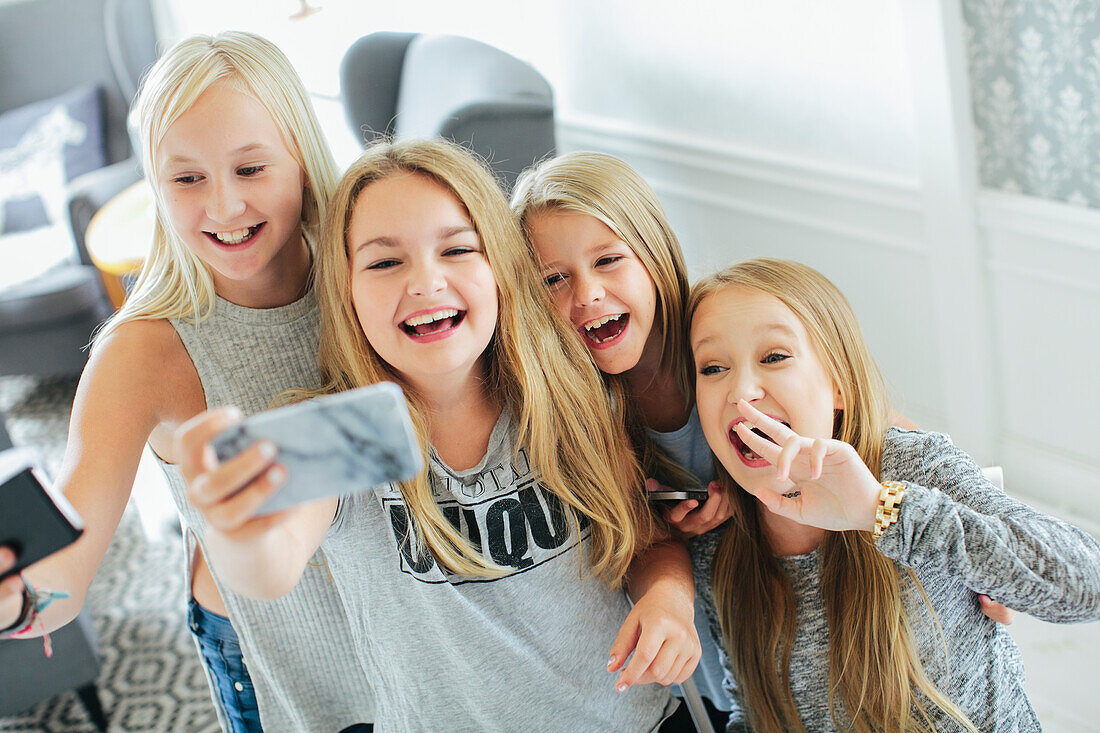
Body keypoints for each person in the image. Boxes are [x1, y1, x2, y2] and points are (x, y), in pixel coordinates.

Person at [175, 138, 702, 731]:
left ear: (501, 269)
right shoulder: (347, 432)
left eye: (456, 250)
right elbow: (270, 569)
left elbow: (646, 541)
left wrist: (668, 601)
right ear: (345, 292)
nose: (425, 282)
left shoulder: (567, 393)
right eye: (383, 262)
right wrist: (234, 528)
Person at [0, 32, 373, 733]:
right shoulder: (140, 351)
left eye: (251, 167)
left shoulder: (369, 277)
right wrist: (20, 598)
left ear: (301, 156)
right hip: (270, 659)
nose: (225, 206)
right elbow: (67, 574)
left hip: (400, 618)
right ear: (153, 187)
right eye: (187, 178)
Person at [687, 257, 1100, 732]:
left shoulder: (911, 468)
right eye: (713, 367)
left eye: (774, 357)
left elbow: (1088, 585)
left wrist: (883, 511)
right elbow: (754, 712)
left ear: (838, 384)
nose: (742, 392)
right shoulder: (717, 547)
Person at [511, 151, 735, 726]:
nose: (586, 294)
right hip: (705, 660)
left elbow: (865, 426)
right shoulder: (573, 413)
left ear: (653, 253)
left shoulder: (728, 331)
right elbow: (636, 543)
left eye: (608, 260)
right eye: (553, 280)